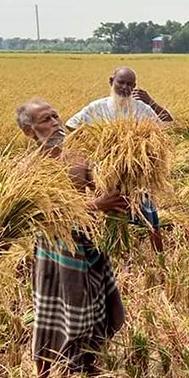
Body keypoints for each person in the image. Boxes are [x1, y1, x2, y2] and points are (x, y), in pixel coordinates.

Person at [16, 99, 128, 378]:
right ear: (30, 132)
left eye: (55, 115)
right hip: (55, 249)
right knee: (57, 311)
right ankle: (46, 370)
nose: (54, 122)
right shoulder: (27, 168)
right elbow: (41, 212)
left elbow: (100, 188)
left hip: (88, 241)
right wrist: (96, 206)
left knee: (95, 306)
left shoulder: (80, 157)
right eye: (45, 119)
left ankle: (86, 363)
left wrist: (121, 177)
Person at [65, 66, 172, 254]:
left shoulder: (142, 108)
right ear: (111, 82)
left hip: (134, 176)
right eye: (120, 82)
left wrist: (150, 101)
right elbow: (71, 124)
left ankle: (160, 258)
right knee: (104, 211)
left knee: (151, 218)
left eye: (130, 84)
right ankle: (97, 250)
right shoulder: (97, 107)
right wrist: (93, 144)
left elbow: (167, 124)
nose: (125, 87)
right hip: (104, 174)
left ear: (135, 87)